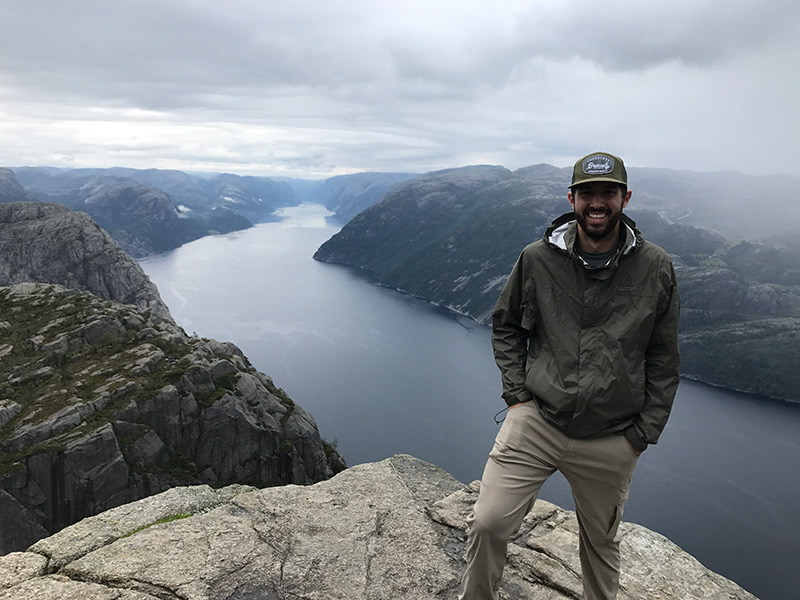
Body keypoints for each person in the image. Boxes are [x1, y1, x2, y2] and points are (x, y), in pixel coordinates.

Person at [459, 151, 681, 600]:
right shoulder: (538, 259)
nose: (597, 203)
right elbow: (506, 326)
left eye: (607, 193)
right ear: (572, 198)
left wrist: (642, 434)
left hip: (611, 435)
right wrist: (517, 397)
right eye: (587, 194)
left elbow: (663, 357)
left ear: (625, 198)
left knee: (601, 546)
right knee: (487, 522)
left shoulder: (654, 265)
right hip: (537, 419)